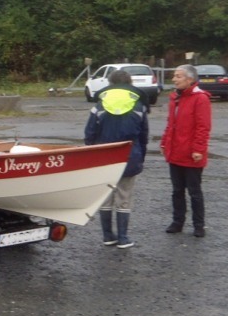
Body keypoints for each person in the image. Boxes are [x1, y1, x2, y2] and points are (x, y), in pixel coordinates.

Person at [84, 69, 149, 248]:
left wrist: (92, 152)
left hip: (103, 157)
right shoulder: (139, 106)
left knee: (106, 197)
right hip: (130, 156)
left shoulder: (99, 105)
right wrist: (140, 157)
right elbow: (143, 136)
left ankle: (107, 236)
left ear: (111, 84)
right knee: (124, 196)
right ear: (129, 84)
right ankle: (123, 238)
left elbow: (89, 133)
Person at [160, 64, 212, 237]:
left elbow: (203, 127)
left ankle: (199, 225)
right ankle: (177, 222)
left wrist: (198, 149)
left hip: (192, 155)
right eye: (174, 76)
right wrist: (164, 142)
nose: (174, 79)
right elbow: (171, 124)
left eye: (178, 76)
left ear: (190, 80)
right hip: (175, 152)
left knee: (194, 191)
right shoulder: (175, 97)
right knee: (177, 191)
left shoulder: (200, 98)